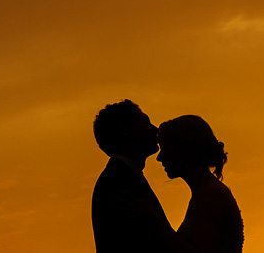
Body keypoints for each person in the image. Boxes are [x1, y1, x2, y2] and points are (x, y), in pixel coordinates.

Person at [91, 100, 195, 253]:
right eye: (146, 122)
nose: (155, 129)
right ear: (124, 130)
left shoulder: (122, 177)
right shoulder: (120, 183)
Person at [156, 115, 243, 253]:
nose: (159, 157)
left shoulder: (211, 195)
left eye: (166, 148)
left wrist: (155, 222)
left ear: (184, 149)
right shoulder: (207, 193)